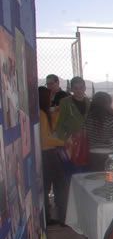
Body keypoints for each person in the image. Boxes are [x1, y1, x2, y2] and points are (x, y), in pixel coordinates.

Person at [38, 86, 68, 226]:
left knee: (47, 186)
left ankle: (48, 217)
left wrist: (57, 113)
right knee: (60, 185)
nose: (51, 99)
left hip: (46, 154)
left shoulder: (42, 113)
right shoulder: (42, 114)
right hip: (48, 153)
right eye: (49, 96)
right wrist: (63, 142)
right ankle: (62, 217)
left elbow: (51, 128)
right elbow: (45, 138)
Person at [83, 92, 113, 171]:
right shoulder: (110, 118)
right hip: (109, 155)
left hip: (92, 154)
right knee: (111, 179)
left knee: (96, 180)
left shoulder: (88, 118)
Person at [55, 76, 90, 140]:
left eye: (81, 88)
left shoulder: (88, 102)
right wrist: (63, 139)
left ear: (85, 88)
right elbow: (61, 121)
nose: (79, 90)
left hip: (87, 138)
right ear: (71, 89)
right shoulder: (65, 102)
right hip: (71, 139)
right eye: (76, 88)